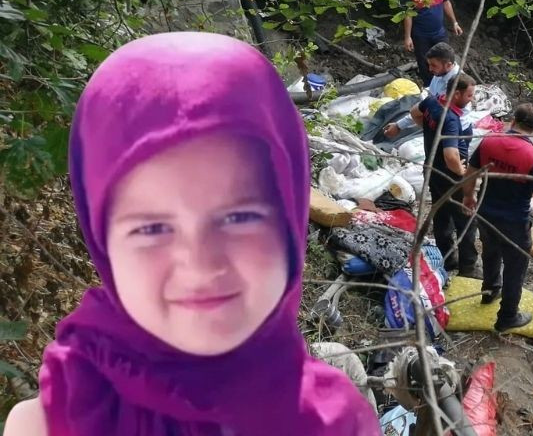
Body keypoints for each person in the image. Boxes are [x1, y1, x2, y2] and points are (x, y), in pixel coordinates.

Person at [3, 32, 379, 436]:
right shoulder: (55, 423)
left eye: (238, 217)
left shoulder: (336, 420)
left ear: (288, 222)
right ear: (102, 243)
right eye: (151, 227)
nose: (199, 262)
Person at [462, 103, 533, 332]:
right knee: (515, 268)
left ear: (513, 120)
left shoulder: (489, 142)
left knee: (490, 251)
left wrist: (468, 197)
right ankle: (507, 316)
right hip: (514, 222)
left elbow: (470, 173)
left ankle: (489, 291)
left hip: (486, 213)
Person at [420, 74, 477, 274]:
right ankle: (468, 267)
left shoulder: (431, 101)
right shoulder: (451, 118)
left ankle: (446, 259)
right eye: (469, 95)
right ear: (457, 94)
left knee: (442, 215)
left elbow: (414, 113)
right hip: (451, 177)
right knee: (467, 220)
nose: (472, 99)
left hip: (432, 169)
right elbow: (451, 154)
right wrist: (462, 171)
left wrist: (431, 132)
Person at [402, 0, 462, 85]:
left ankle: (450, 86)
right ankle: (430, 89)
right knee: (425, 65)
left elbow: (446, 3)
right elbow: (408, 15)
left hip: (439, 33)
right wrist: (407, 37)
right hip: (421, 36)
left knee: (447, 58)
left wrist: (454, 22)